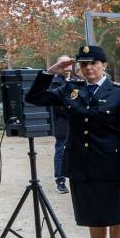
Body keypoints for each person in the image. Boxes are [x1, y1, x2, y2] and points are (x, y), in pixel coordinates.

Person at [26, 45, 120, 238]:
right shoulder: (70, 90)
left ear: (104, 65)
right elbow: (33, 97)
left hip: (112, 166)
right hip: (81, 165)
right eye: (83, 64)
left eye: (93, 63)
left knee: (116, 217)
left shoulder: (119, 93)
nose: (88, 68)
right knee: (93, 218)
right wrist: (52, 71)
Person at [49, 55, 72, 193]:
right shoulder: (55, 82)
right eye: (64, 63)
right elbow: (57, 104)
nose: (68, 65)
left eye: (69, 62)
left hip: (77, 124)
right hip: (62, 124)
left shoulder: (77, 80)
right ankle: (60, 181)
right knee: (61, 152)